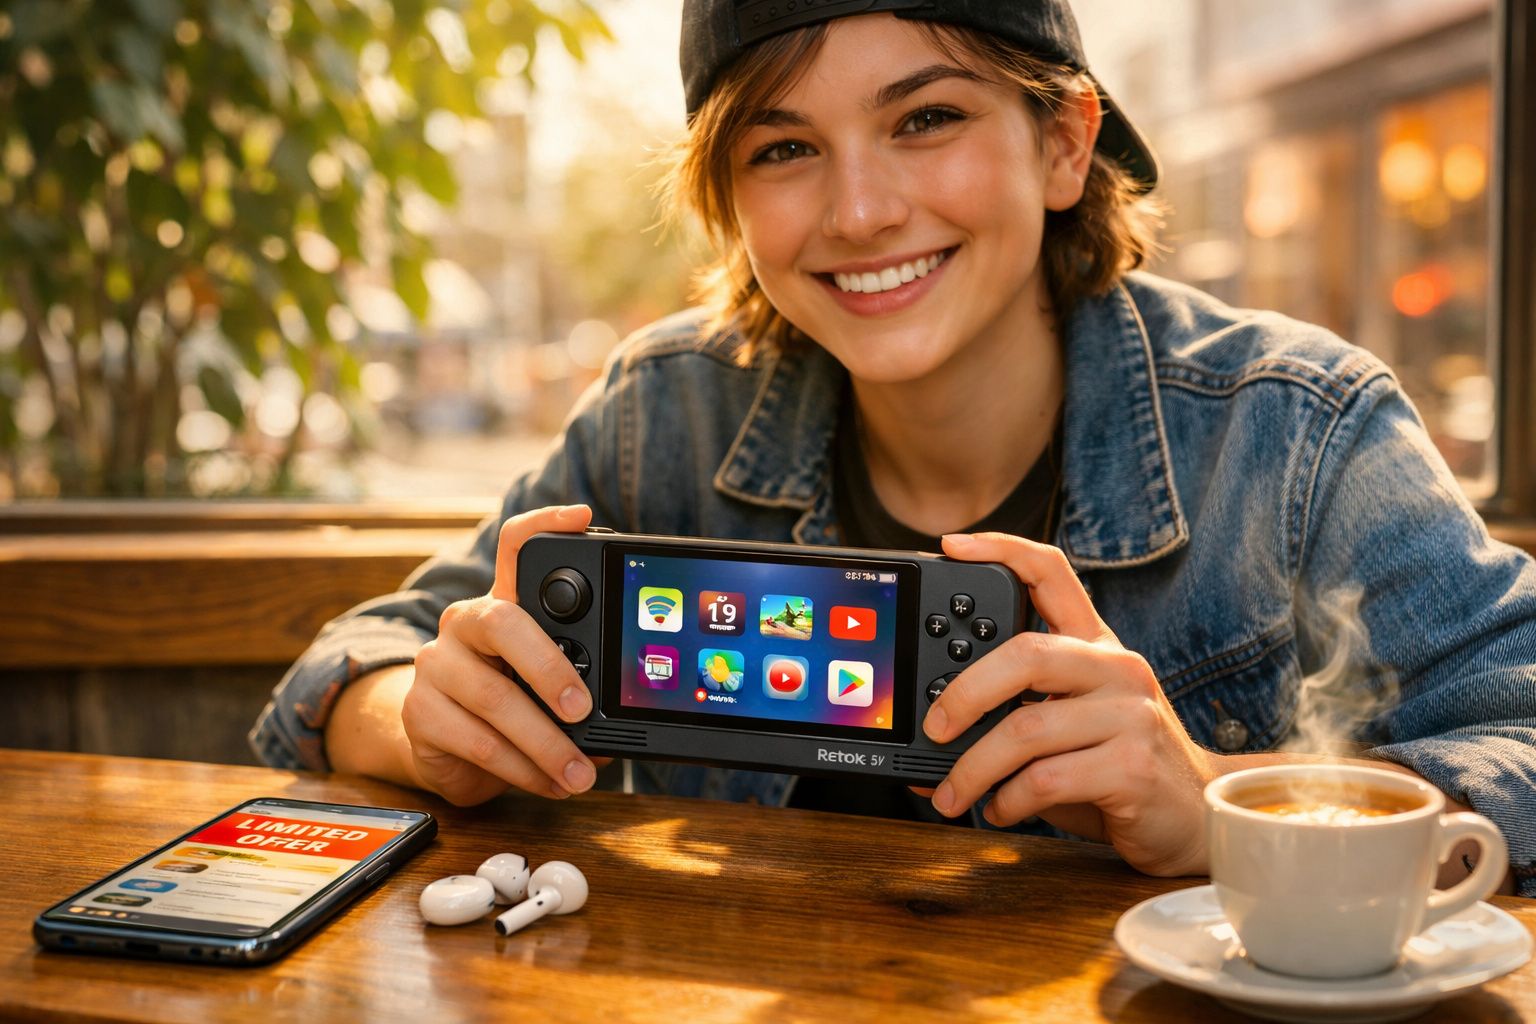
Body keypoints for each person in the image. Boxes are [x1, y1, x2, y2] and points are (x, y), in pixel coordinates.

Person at [251, 0, 1536, 896]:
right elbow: (347, 669)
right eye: (786, 147)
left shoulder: (1295, 430)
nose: (861, 211)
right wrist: (420, 719)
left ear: (1063, 141)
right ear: (731, 204)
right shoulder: (664, 414)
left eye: (924, 118)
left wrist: (1221, 807)